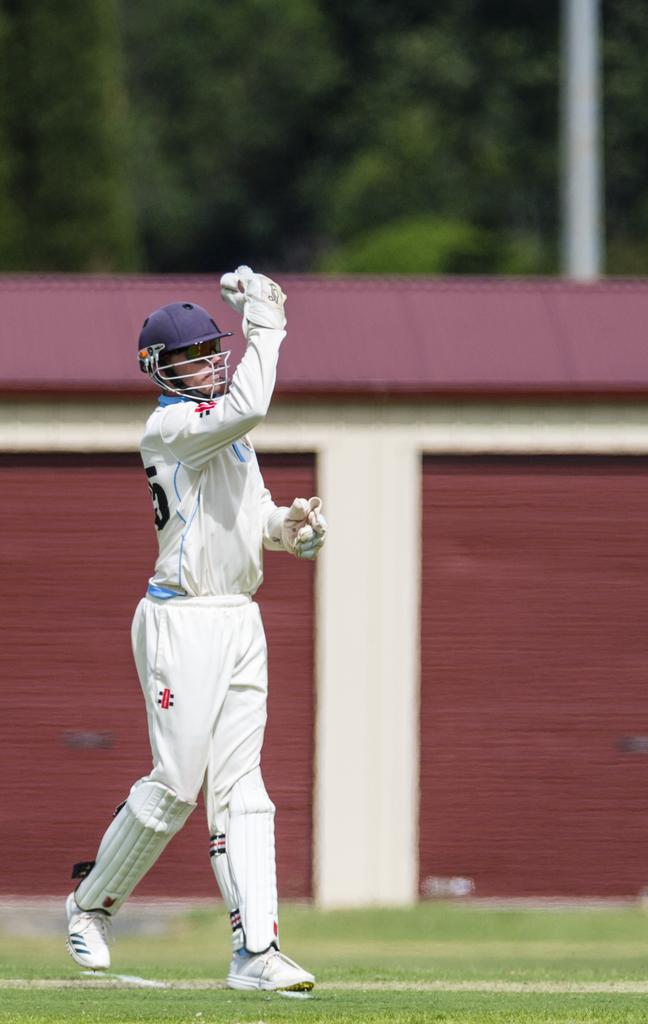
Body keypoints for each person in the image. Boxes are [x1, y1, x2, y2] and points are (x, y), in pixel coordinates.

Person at [65, 267, 326, 993]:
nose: (209, 365)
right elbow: (249, 405)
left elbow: (256, 513)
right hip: (180, 620)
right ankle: (90, 905)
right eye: (192, 359)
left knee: (243, 787)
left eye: (215, 351)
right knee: (177, 785)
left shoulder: (227, 433)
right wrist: (266, 326)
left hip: (240, 616)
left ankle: (257, 952)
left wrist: (290, 530)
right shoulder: (173, 426)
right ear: (158, 371)